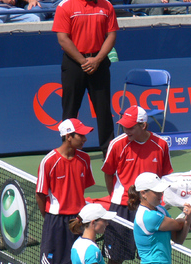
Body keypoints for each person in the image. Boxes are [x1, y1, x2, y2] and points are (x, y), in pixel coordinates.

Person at [100, 106, 173, 264]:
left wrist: (160, 202)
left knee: (148, 261)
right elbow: (108, 173)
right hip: (122, 208)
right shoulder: (118, 144)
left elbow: (166, 175)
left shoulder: (160, 145)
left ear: (143, 126)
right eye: (124, 125)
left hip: (149, 208)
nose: (126, 129)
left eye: (131, 127)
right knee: (115, 260)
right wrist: (118, 198)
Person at [36, 118, 95, 264]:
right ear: (68, 136)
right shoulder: (49, 161)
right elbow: (41, 194)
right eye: (81, 135)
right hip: (56, 220)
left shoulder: (85, 159)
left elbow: (83, 188)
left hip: (77, 220)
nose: (85, 138)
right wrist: (50, 218)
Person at [52, 0, 119, 156]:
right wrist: (83, 61)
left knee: (103, 110)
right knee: (70, 109)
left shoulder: (107, 5)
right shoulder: (65, 6)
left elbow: (111, 35)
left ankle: (108, 153)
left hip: (99, 62)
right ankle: (67, 152)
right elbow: (63, 38)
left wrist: (97, 60)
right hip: (74, 63)